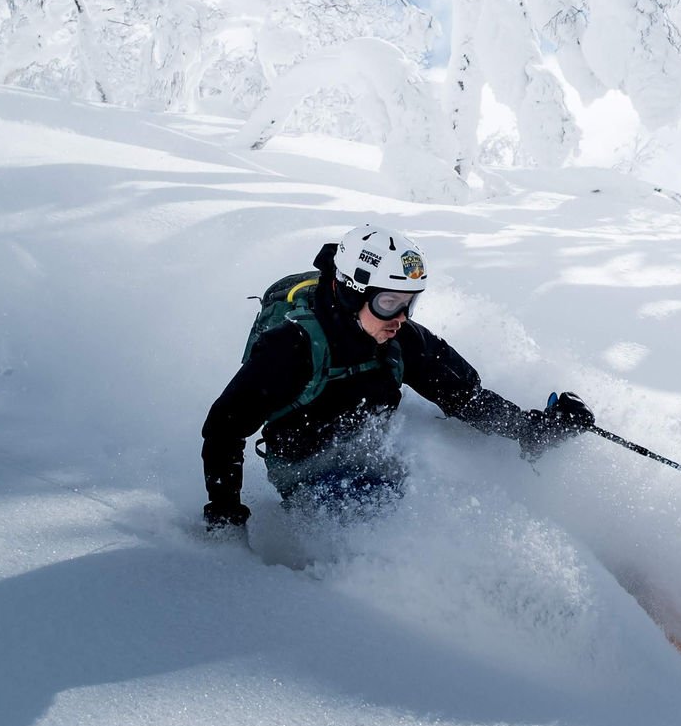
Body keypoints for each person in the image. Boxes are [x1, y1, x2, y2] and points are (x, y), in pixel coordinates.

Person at [201, 223, 596, 534]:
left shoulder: (400, 339)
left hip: (370, 448)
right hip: (307, 468)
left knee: (440, 485)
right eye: (389, 302)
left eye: (409, 302)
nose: (402, 317)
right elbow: (225, 428)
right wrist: (225, 514)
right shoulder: (292, 347)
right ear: (352, 292)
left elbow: (464, 397)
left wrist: (534, 429)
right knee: (390, 516)